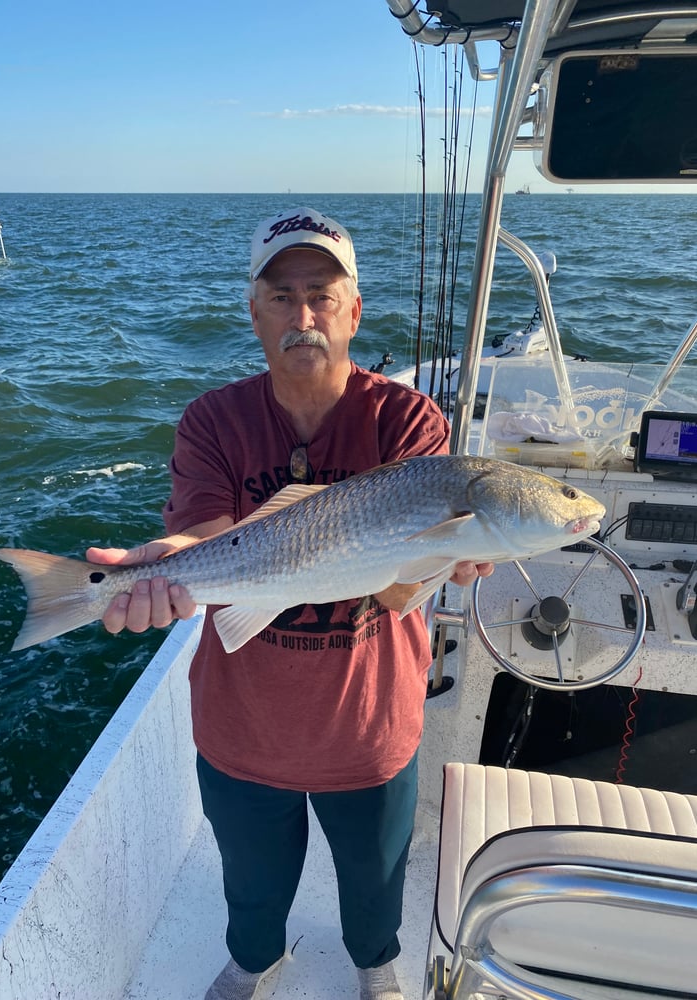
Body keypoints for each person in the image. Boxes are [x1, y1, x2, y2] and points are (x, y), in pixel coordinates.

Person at [88, 207, 493, 1000]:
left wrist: (445, 549)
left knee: (376, 879)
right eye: (281, 297)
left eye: (321, 293)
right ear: (253, 311)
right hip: (244, 722)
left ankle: (376, 967)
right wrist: (163, 573)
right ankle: (255, 961)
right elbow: (211, 547)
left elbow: (401, 587)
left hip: (369, 721)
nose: (302, 315)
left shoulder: (407, 420)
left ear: (354, 310)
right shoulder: (212, 420)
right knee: (250, 876)